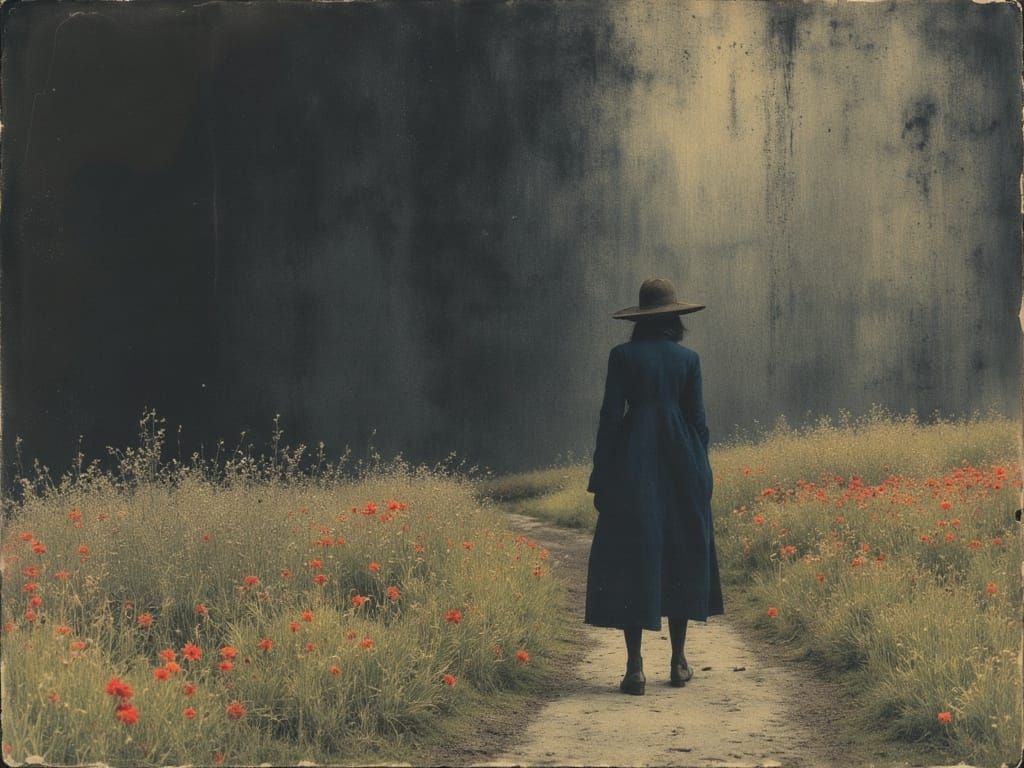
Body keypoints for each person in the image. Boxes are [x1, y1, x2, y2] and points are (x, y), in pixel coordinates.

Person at [584, 277, 724, 696]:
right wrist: (702, 471)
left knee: (634, 556)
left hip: (634, 461)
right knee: (681, 553)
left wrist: (601, 478)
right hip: (682, 463)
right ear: (674, 319)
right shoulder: (688, 359)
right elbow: (698, 423)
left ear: (640, 320)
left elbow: (610, 419)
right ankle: (678, 661)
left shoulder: (622, 356)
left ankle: (634, 668)